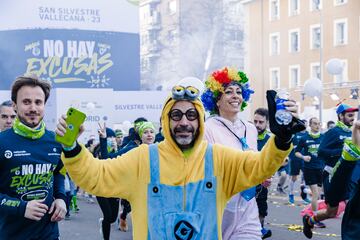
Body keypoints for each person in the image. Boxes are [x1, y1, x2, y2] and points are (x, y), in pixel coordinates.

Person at [56, 82, 304, 239]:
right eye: (176, 115)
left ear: (199, 121)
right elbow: (95, 176)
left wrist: (281, 141)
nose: (184, 122)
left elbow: (259, 166)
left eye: (190, 115)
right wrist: (71, 147)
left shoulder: (218, 158)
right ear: (166, 120)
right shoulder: (143, 159)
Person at [0, 75, 66, 239]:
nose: (33, 108)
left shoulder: (56, 141)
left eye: (38, 102)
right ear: (15, 106)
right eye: (26, 102)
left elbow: (58, 173)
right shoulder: (2, 142)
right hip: (11, 234)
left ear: (44, 105)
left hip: (49, 233)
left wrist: (61, 198)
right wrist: (20, 207)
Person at [202, 67, 262, 240]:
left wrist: (261, 174)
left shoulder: (250, 129)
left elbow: (255, 161)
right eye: (228, 92)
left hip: (247, 206)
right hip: (218, 207)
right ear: (217, 101)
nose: (236, 96)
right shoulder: (207, 128)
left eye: (239, 92)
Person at [302, 103, 358, 238]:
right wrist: (343, 152)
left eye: (353, 116)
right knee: (331, 212)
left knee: (352, 205)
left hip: (351, 175)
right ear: (340, 116)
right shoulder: (334, 132)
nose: (352, 118)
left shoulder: (354, 132)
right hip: (334, 174)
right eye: (349, 115)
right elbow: (321, 152)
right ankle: (309, 220)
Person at [295, 117, 325, 228]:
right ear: (310, 125)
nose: (317, 126)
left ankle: (305, 190)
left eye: (319, 124)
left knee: (319, 192)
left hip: (321, 168)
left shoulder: (323, 137)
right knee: (316, 195)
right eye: (315, 124)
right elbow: (296, 152)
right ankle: (315, 218)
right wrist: (303, 157)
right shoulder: (304, 138)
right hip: (309, 168)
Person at [96, 127, 120, 240]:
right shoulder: (99, 150)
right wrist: (103, 140)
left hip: (115, 188)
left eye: (112, 137)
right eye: (109, 137)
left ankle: (104, 223)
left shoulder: (119, 150)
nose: (112, 139)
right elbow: (105, 158)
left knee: (113, 218)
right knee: (107, 215)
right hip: (101, 187)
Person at [253, 108, 272, 239]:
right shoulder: (246, 135)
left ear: (267, 123)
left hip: (263, 181)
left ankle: (259, 232)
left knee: (261, 209)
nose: (257, 125)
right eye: (255, 121)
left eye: (261, 122)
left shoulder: (270, 140)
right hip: (246, 180)